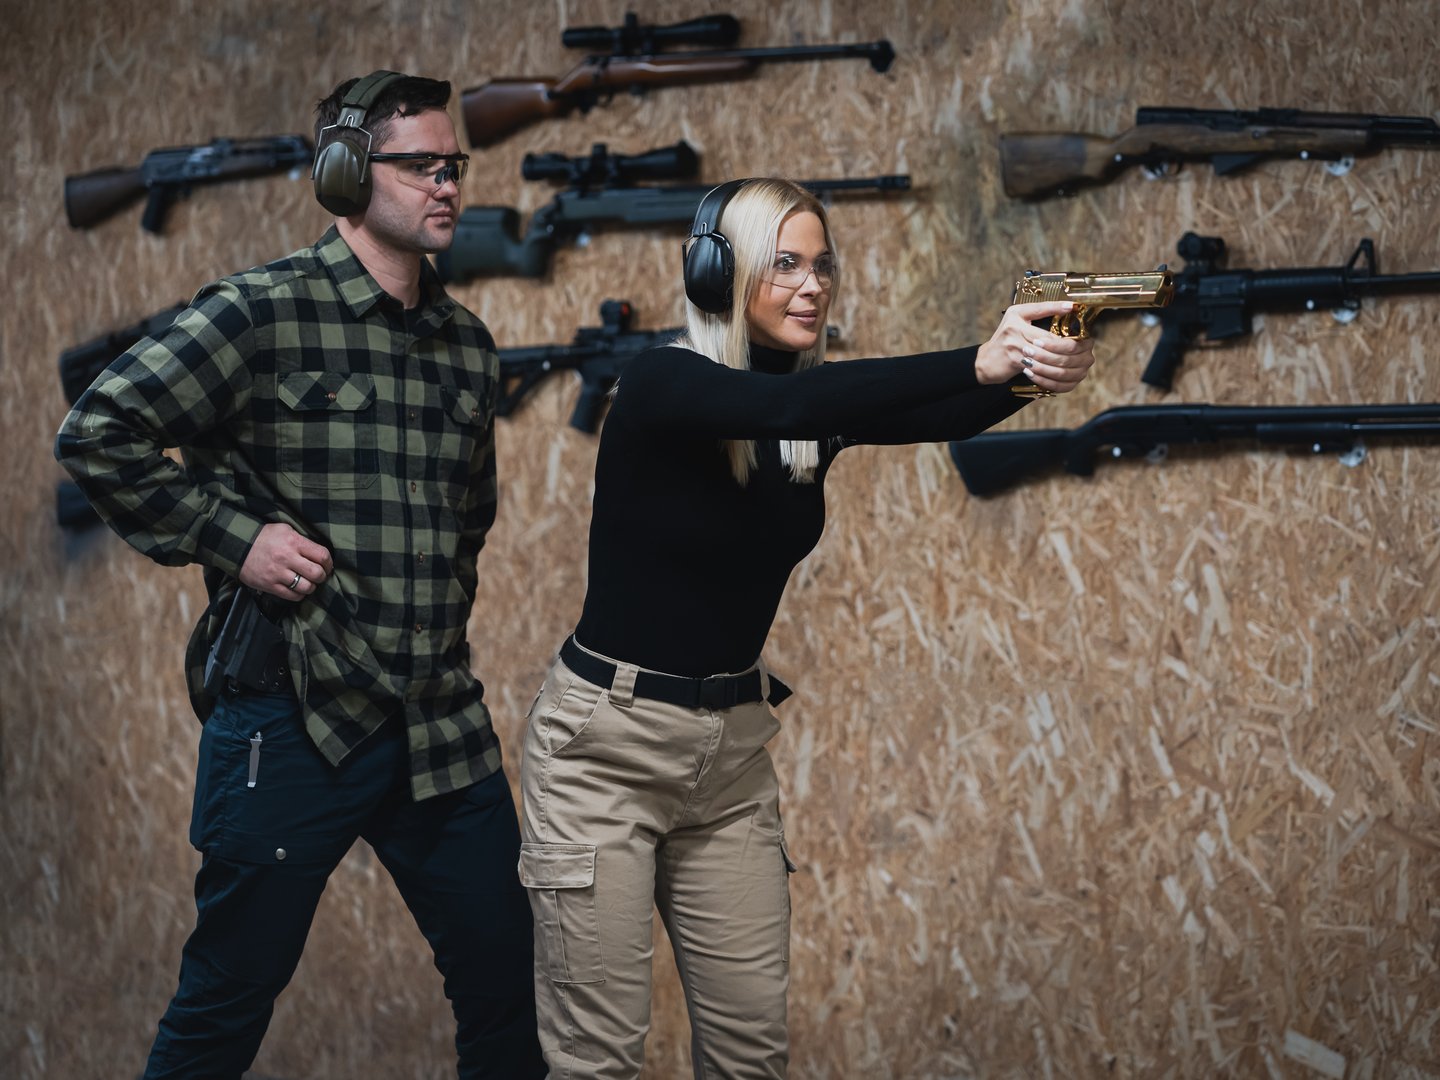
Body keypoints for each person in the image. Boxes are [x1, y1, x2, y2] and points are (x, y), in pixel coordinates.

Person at [517, 177, 1094, 1076]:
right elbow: (790, 405)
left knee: (752, 1055)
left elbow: (911, 410)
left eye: (822, 265)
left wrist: (1029, 372)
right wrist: (979, 358)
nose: (812, 285)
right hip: (604, 752)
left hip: (730, 760)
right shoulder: (665, 382)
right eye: (783, 264)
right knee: (598, 1062)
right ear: (718, 275)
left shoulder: (805, 416)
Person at [56, 72, 545, 1079]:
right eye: (420, 166)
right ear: (346, 174)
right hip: (293, 718)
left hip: (436, 725)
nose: (447, 184)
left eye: (453, 165)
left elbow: (469, 524)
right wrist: (234, 537)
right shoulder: (262, 312)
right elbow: (100, 430)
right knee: (225, 1002)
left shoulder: (465, 346)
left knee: (509, 992)